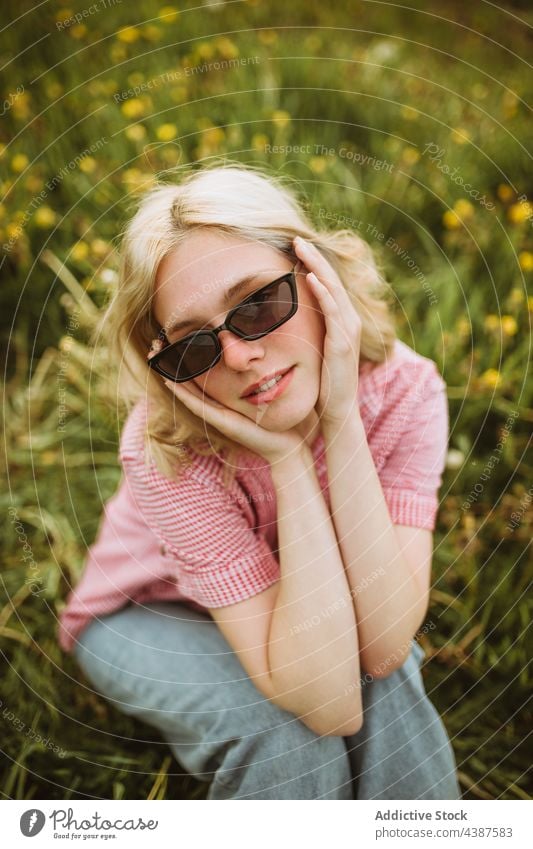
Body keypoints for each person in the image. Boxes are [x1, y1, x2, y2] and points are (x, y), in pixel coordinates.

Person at [58, 161, 461, 800]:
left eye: (259, 304)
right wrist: (288, 462)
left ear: (317, 273)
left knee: (380, 673)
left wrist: (340, 422)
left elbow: (382, 650)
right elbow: (329, 710)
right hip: (143, 613)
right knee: (287, 727)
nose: (241, 356)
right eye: (194, 347)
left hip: (304, 596)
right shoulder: (167, 452)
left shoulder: (405, 392)